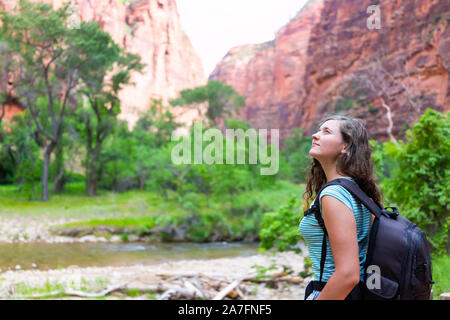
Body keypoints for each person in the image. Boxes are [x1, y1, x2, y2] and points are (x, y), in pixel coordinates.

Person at [299, 114, 383, 300]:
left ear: (345, 146)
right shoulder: (359, 191)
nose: (315, 135)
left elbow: (348, 275)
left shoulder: (333, 195)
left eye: (326, 131)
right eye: (318, 130)